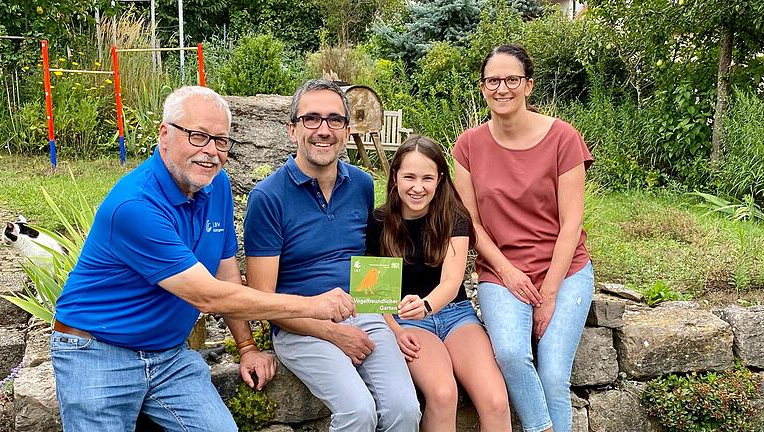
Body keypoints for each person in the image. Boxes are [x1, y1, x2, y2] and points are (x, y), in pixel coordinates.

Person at [51, 86, 356, 432]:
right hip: (97, 351)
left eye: (221, 141)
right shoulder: (134, 207)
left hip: (169, 355)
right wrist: (313, 306)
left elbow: (227, 276)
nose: (210, 152)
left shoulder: (216, 186)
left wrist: (246, 347)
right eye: (198, 136)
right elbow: (207, 295)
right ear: (164, 135)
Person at [243, 79, 421, 432]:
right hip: (301, 327)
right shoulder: (267, 198)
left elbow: (367, 263)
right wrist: (333, 334)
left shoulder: (361, 184)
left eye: (334, 120)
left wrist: (391, 324)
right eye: (312, 119)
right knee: (358, 412)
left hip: (363, 312)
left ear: (346, 130)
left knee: (405, 410)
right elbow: (264, 303)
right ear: (292, 130)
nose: (323, 130)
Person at [453, 44, 595, 432]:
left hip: (565, 271)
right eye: (493, 80)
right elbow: (471, 223)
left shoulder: (564, 138)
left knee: (552, 374)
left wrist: (548, 295)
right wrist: (508, 272)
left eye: (512, 79)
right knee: (513, 354)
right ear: (482, 88)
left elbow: (571, 223)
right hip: (501, 273)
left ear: (529, 86)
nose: (502, 88)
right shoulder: (467, 146)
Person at [365, 135, 512, 432]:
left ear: (440, 179)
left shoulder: (454, 216)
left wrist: (427, 304)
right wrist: (393, 330)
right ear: (395, 177)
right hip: (405, 320)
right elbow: (372, 294)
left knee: (496, 400)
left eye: (427, 178)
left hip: (454, 313)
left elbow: (452, 280)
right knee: (444, 394)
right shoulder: (379, 221)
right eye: (409, 177)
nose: (418, 187)